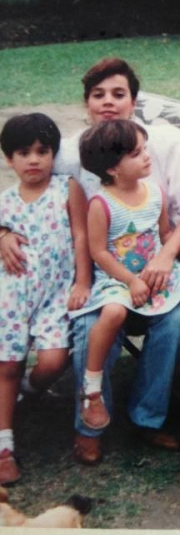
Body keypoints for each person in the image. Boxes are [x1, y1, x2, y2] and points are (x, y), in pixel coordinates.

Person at [0, 58, 180, 466]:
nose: (108, 103)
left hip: (157, 265)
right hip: (99, 275)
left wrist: (168, 255)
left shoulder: (163, 142)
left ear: (134, 100)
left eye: (119, 94)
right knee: (93, 323)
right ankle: (89, 425)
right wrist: (4, 232)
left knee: (178, 321)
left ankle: (148, 418)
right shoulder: (75, 150)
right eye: (98, 95)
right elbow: (31, 187)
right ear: (86, 103)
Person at [74, 120, 180, 431]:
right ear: (112, 169)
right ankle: (92, 387)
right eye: (137, 154)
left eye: (145, 149)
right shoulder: (101, 204)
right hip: (119, 276)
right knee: (111, 313)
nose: (147, 157)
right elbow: (99, 253)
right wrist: (130, 280)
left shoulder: (155, 191)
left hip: (155, 268)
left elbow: (165, 232)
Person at [0, 114, 91, 485]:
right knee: (7, 364)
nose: (34, 159)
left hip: (56, 293)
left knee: (54, 360)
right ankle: (4, 444)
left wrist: (82, 280)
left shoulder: (66, 188)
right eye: (24, 152)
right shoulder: (5, 200)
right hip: (13, 294)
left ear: (54, 154)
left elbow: (82, 235)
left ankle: (28, 390)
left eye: (43, 151)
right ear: (10, 159)